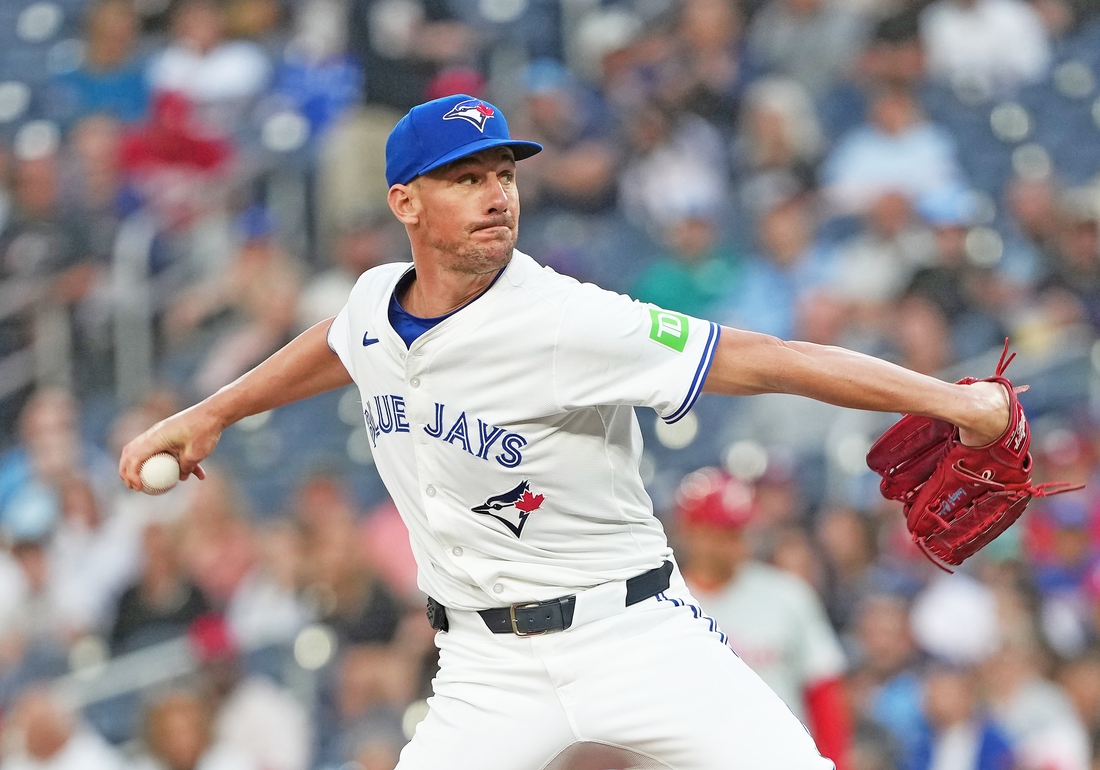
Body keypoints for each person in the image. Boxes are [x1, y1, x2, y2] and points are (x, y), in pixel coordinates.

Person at [121, 93, 1013, 769]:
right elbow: (339, 343)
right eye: (466, 178)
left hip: (633, 635)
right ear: (405, 204)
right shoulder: (369, 304)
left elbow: (765, 356)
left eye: (504, 174)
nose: (496, 194)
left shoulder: (565, 318)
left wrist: (951, 401)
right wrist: (211, 413)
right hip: (482, 665)